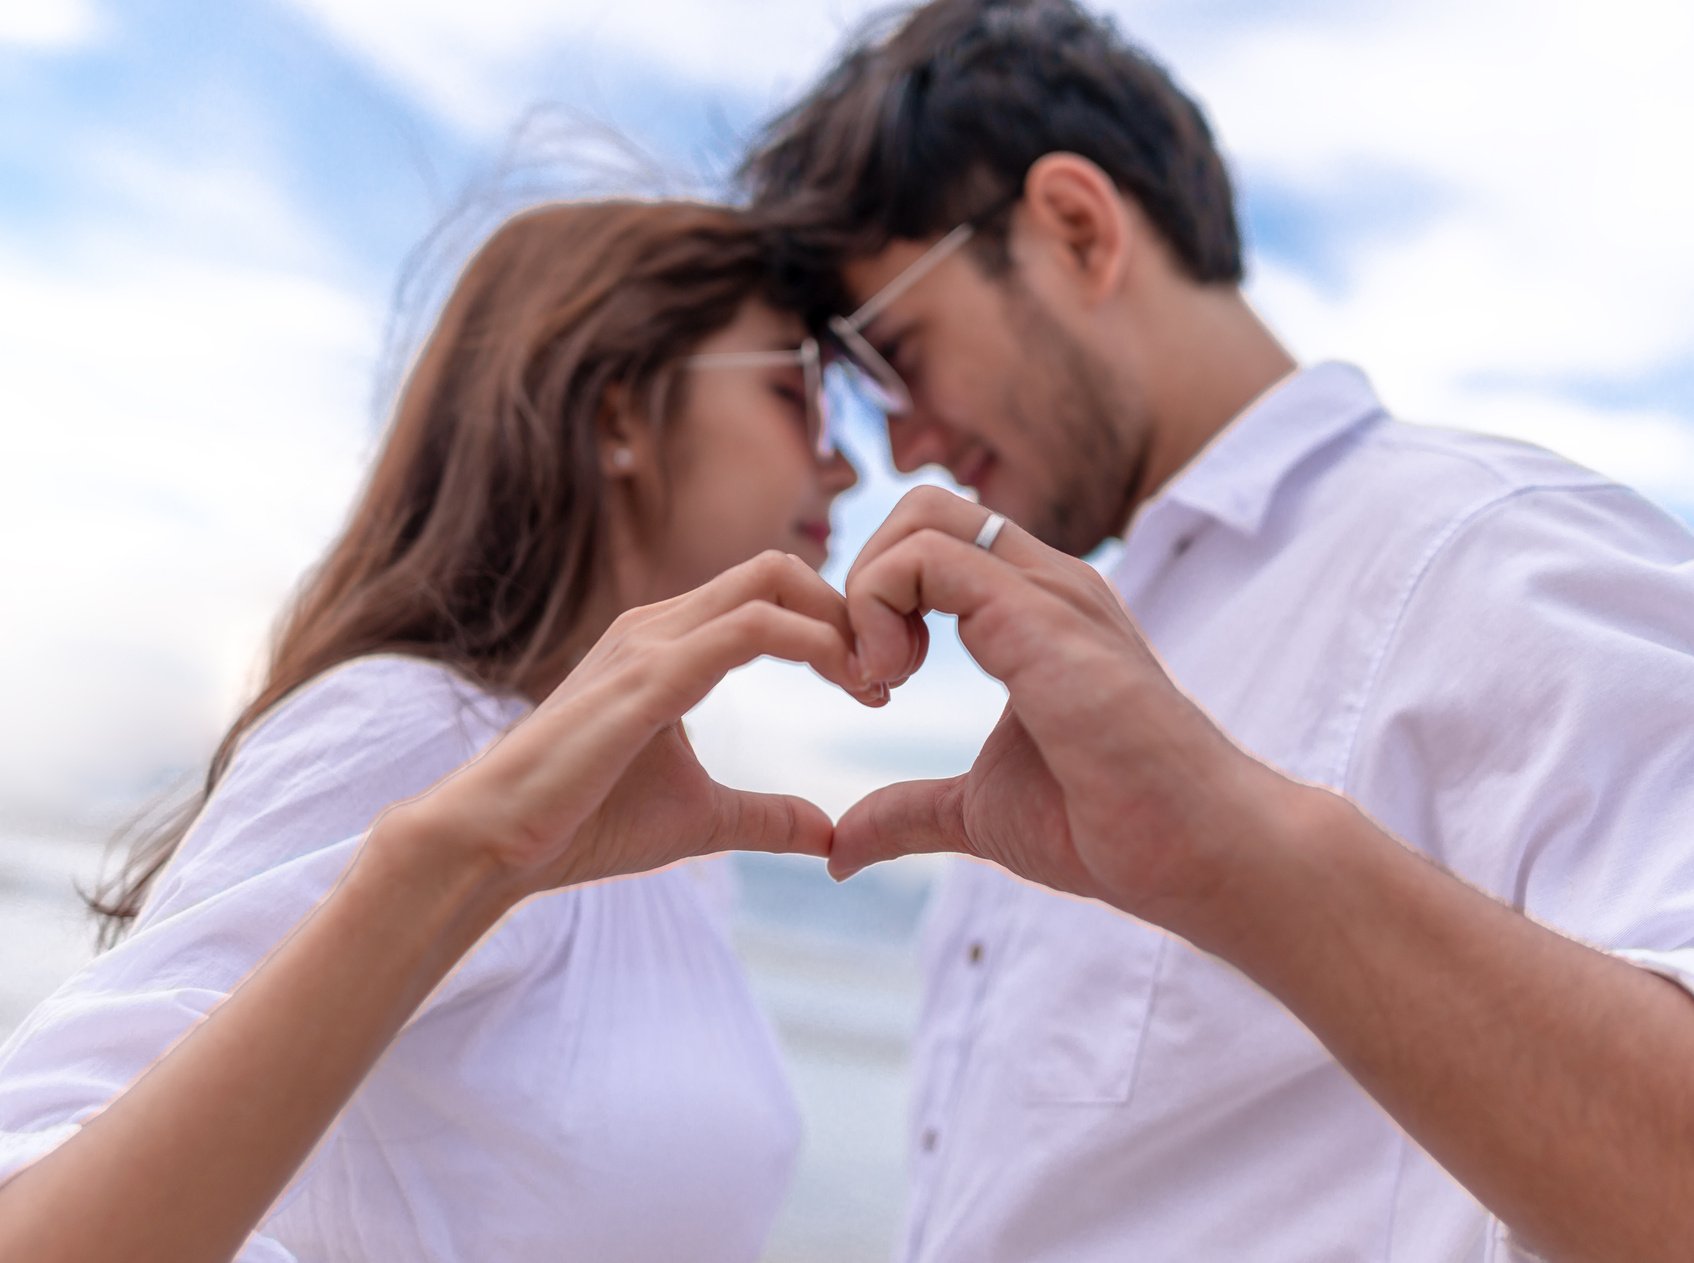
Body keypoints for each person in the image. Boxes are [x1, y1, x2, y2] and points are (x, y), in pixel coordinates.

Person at [741, 1, 1694, 1259]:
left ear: (1076, 229)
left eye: (899, 355)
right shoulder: (1113, 644)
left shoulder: (1482, 550)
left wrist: (1238, 857)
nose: (902, 444)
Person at [0, 199, 877, 1262]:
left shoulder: (669, 846)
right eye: (794, 396)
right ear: (615, 419)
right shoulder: (426, 733)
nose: (847, 467)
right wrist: (456, 864)